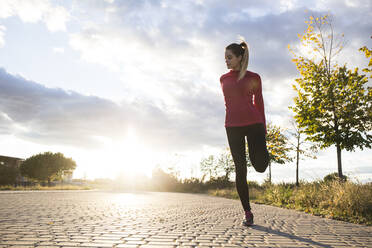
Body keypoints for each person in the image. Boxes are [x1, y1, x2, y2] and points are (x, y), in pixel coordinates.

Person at [220, 39, 269, 226]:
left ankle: (264, 154)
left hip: (254, 124)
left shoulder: (254, 77)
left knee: (260, 166)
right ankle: (247, 212)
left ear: (240, 58)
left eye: (229, 57)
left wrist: (263, 127)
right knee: (240, 169)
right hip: (232, 126)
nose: (226, 60)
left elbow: (260, 103)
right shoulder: (223, 79)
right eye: (225, 58)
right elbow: (228, 103)